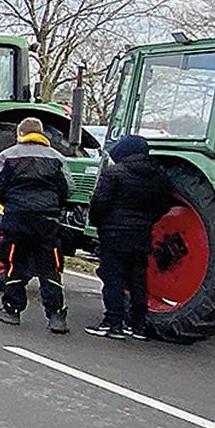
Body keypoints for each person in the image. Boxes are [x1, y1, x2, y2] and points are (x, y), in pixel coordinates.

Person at [0, 117, 70, 333]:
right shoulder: (57, 157)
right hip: (47, 219)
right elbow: (66, 188)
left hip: (17, 217)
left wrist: (10, 203)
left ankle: (12, 310)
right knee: (50, 267)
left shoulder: (7, 155)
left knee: (15, 263)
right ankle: (56, 315)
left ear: (21, 134)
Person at [86, 134, 172, 338]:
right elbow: (164, 205)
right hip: (141, 234)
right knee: (137, 279)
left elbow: (99, 202)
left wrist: (98, 223)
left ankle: (113, 323)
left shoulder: (113, 173)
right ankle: (138, 326)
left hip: (114, 233)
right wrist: (147, 221)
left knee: (113, 278)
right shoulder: (159, 177)